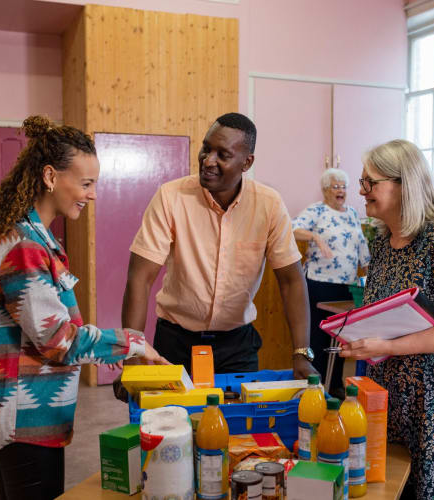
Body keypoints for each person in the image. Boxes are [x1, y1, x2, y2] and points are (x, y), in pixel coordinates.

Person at [0, 116, 168, 500]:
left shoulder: (31, 234)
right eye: (86, 184)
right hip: (24, 419)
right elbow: (59, 341)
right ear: (51, 177)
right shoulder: (24, 246)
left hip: (24, 412)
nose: (92, 194)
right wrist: (134, 342)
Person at [338, 139, 434, 500]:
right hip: (390, 395)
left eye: (370, 182)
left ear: (404, 184)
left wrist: (387, 346)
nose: (361, 190)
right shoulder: (384, 244)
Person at [122, 112, 316, 380]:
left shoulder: (268, 205)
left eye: (222, 155)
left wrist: (301, 353)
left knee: (238, 421)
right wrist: (133, 354)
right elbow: (139, 278)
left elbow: (291, 281)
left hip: (237, 346)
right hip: (175, 341)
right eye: (206, 148)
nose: (208, 160)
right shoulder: (171, 197)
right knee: (175, 420)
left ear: (247, 162)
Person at [292, 168, 370, 397]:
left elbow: (362, 245)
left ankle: (334, 384)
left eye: (343, 186)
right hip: (319, 283)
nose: (341, 191)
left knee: (339, 338)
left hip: (346, 285)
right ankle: (314, 386)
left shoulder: (353, 214)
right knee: (317, 337)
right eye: (335, 186)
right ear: (326, 190)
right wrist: (315, 236)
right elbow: (292, 229)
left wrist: (370, 271)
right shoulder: (317, 210)